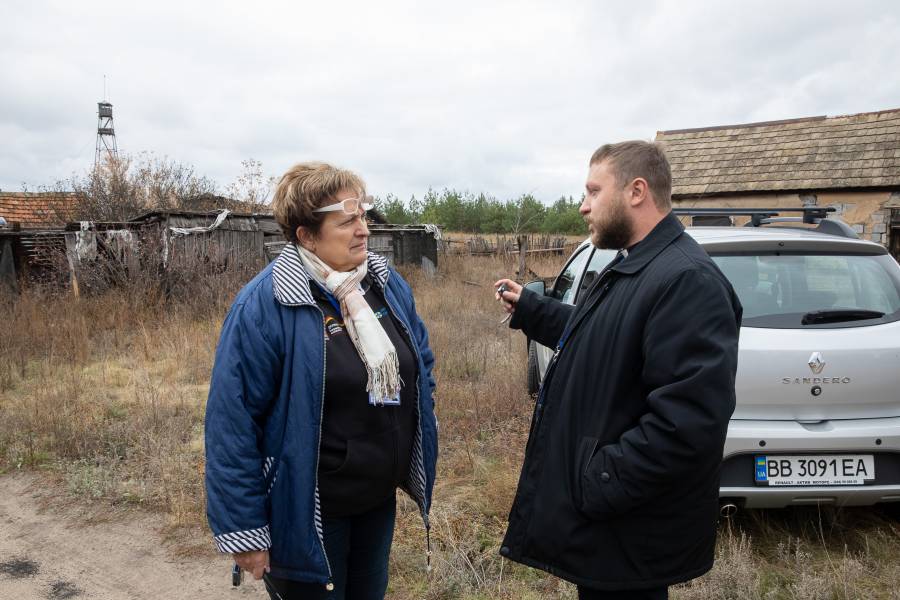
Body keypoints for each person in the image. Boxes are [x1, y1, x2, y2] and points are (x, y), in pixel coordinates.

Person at [494, 141, 742, 600]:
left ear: (636, 191)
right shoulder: (638, 265)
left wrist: (599, 481)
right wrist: (533, 309)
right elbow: (605, 337)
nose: (583, 206)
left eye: (592, 191)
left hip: (629, 527)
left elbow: (688, 423)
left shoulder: (686, 280)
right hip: (613, 528)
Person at [204, 162, 438, 600]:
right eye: (346, 221)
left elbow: (420, 362)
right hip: (309, 512)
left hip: (375, 501)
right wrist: (245, 530)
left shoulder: (383, 286)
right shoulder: (267, 304)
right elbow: (232, 423)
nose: (363, 230)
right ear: (306, 235)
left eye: (363, 216)